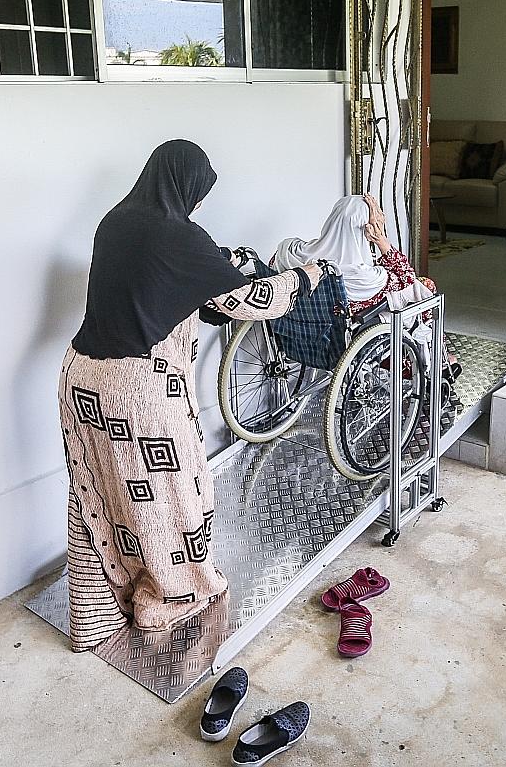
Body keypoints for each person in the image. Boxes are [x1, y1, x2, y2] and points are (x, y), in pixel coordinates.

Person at [59, 140, 320, 644]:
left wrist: (216, 266)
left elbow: (156, 285)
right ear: (185, 187)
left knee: (108, 495)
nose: (199, 205)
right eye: (199, 194)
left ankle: (99, 609)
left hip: (80, 379)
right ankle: (174, 594)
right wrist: (306, 277)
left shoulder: (115, 221)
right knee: (172, 499)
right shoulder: (179, 234)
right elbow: (256, 300)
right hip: (135, 389)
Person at [272, 194, 459, 378]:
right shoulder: (365, 278)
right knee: (424, 287)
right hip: (345, 340)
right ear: (366, 230)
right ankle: (435, 361)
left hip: (298, 335)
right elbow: (407, 277)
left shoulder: (291, 252)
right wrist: (382, 240)